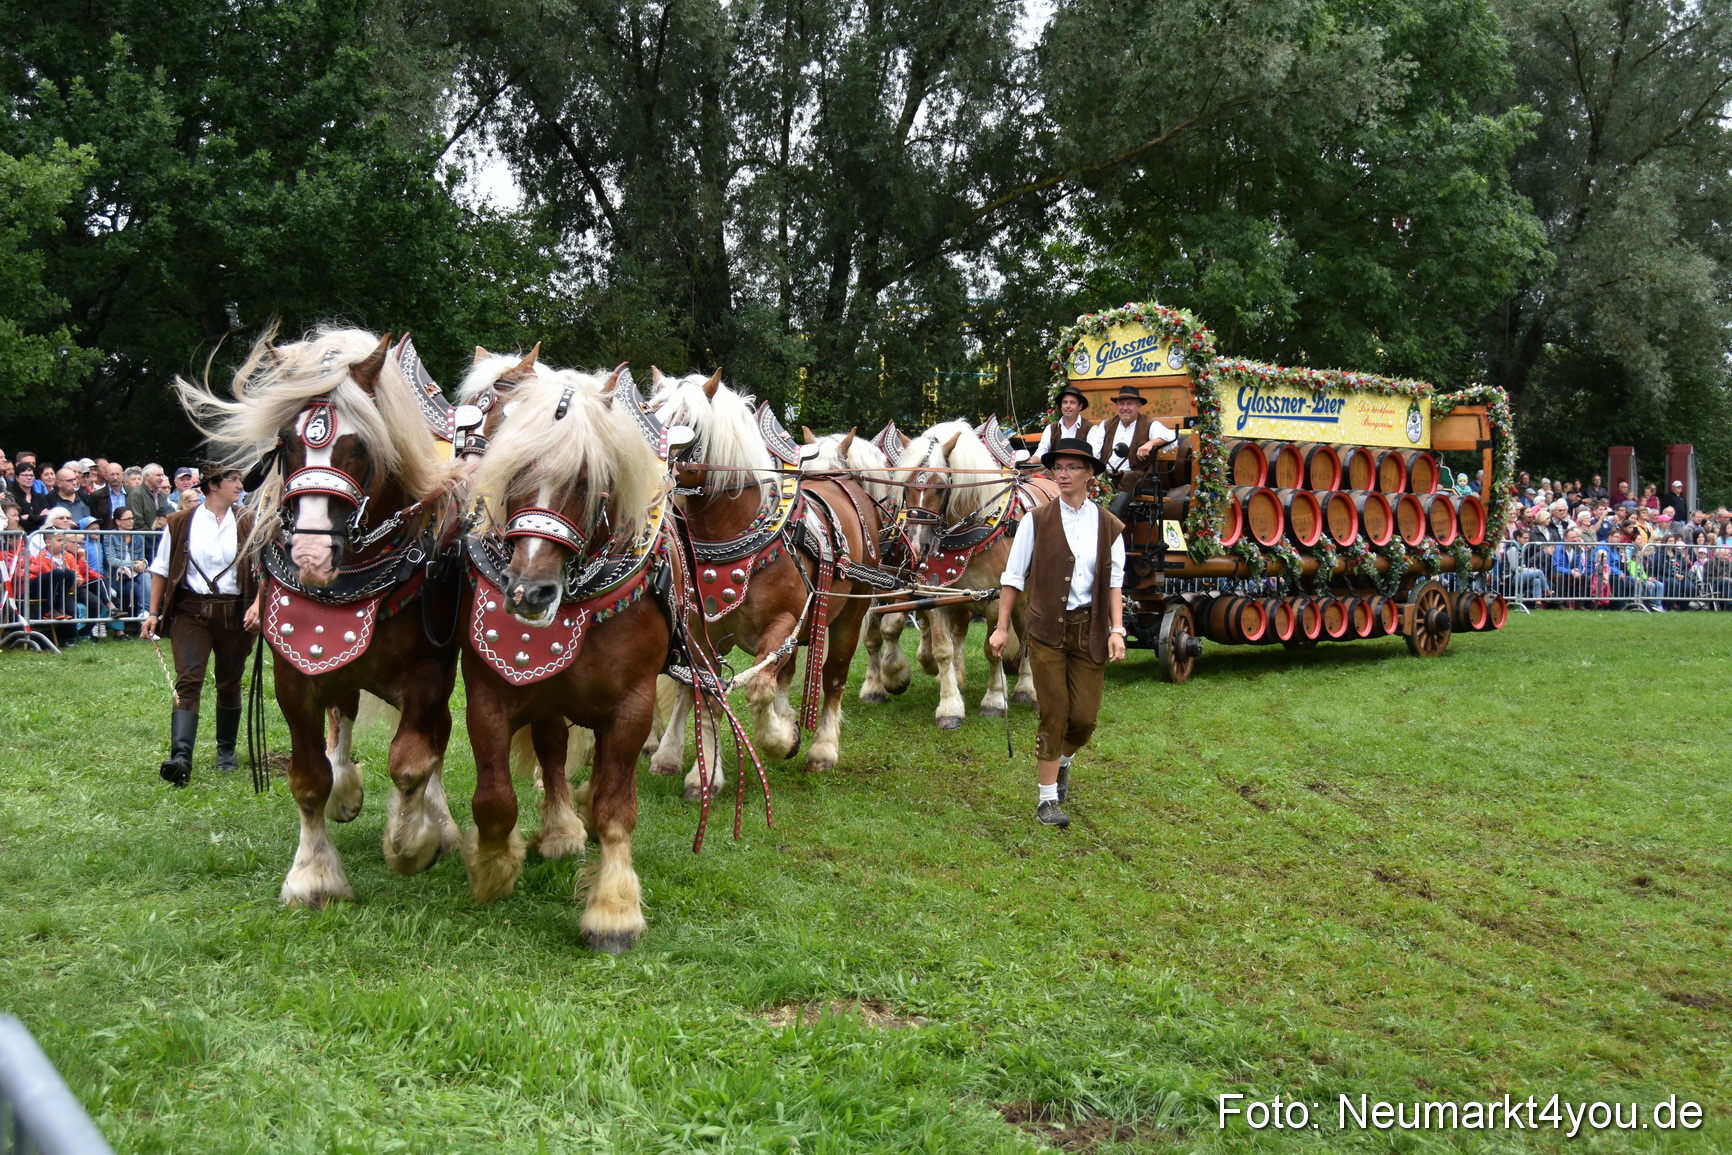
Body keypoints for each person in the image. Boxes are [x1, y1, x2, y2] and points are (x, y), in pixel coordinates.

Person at [987, 436, 1127, 829]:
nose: (1062, 475)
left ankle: (1064, 761)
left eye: (1071, 468)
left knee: (1084, 719)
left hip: (1091, 630)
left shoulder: (1109, 524)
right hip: (1047, 630)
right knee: (1054, 713)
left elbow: (1115, 580)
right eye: (1058, 468)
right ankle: (1047, 800)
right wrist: (1001, 629)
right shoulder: (1035, 520)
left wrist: (1117, 629)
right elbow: (1012, 577)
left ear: (1089, 475)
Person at [142, 465, 259, 786]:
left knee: (229, 682)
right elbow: (161, 569)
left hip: (235, 613)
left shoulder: (249, 520)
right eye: (233, 480)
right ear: (212, 485)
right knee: (188, 680)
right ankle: (181, 757)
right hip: (191, 611)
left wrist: (258, 605)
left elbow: (266, 568)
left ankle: (226, 753)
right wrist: (152, 613)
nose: (239, 485)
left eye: (239, 479)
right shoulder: (180, 522)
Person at [1096, 385, 1174, 491]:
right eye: (1121, 404)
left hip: (1137, 478)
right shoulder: (1106, 424)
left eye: (1129, 404)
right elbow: (1094, 452)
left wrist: (1150, 443)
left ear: (1139, 406)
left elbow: (1171, 437)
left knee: (1129, 477)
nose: (1124, 408)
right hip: (1107, 477)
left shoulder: (1148, 423)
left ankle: (1117, 507)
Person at [104, 506, 150, 634]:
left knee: (146, 578)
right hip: (118, 579)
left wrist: (143, 563)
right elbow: (111, 560)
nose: (131, 521)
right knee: (137, 587)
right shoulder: (110, 536)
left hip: (137, 575)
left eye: (132, 518)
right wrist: (133, 564)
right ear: (118, 521)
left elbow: (143, 557)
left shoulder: (138, 536)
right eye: (128, 519)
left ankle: (143, 613)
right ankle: (141, 622)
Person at [1033, 384, 1105, 461]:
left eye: (1072, 403)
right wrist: (1032, 460)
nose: (1068, 406)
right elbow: (1041, 451)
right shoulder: (1051, 429)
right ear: (1061, 406)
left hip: (1079, 471)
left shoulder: (1091, 429)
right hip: (1055, 471)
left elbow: (1093, 456)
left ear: (1080, 406)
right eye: (1065, 402)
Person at [6, 463, 54, 530]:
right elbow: (19, 521)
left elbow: (49, 518)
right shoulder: (12, 496)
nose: (29, 478)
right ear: (17, 478)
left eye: (31, 475)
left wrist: (29, 517)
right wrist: (39, 517)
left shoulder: (39, 497)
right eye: (25, 475)